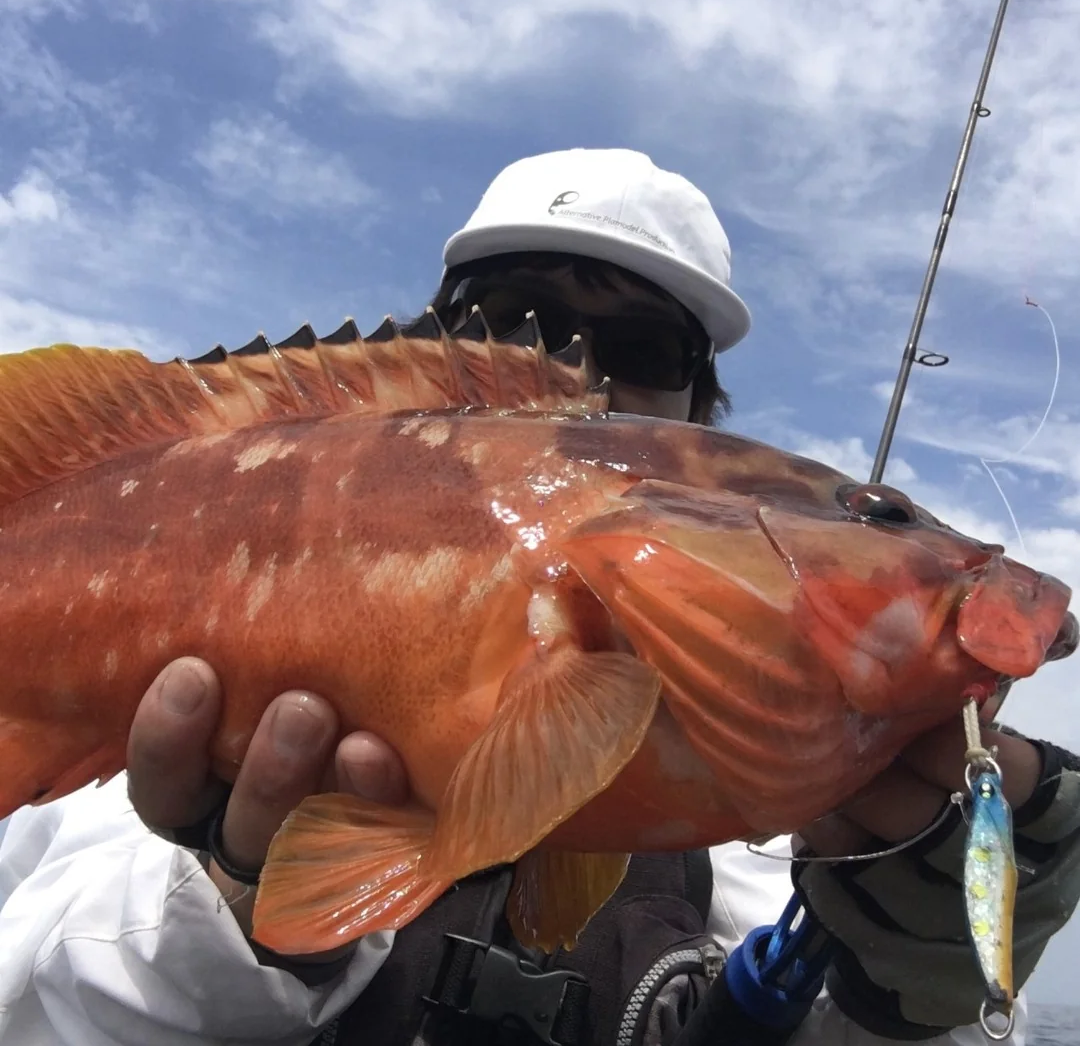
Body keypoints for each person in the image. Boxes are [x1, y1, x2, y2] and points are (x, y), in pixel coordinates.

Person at [1, 148, 1078, 1046]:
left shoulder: (768, 854)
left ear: (703, 424)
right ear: (429, 343)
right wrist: (235, 909)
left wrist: (914, 986)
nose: (581, 370)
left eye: (648, 348)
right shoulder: (116, 803)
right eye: (513, 319)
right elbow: (32, 997)